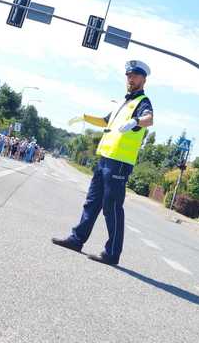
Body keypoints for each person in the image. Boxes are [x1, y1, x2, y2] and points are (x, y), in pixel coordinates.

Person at [52, 60, 154, 265]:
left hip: (120, 162)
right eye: (128, 75)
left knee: (112, 207)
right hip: (105, 159)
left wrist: (135, 121)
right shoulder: (123, 104)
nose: (130, 79)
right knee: (92, 202)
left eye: (134, 75)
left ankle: (112, 253)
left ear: (143, 79)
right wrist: (83, 117)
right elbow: (104, 121)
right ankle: (76, 239)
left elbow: (149, 119)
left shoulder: (143, 102)